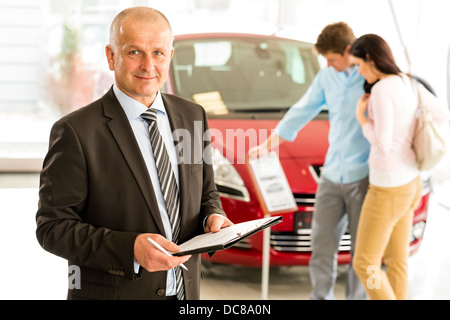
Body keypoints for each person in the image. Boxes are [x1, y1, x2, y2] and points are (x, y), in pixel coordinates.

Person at [36, 7, 232, 300]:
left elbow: (206, 193)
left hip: (186, 293)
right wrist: (130, 250)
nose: (148, 65)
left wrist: (212, 216)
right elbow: (52, 227)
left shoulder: (193, 116)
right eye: (134, 52)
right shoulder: (76, 131)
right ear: (111, 56)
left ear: (170, 56)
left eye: (158, 53)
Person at [249, 22, 370, 300]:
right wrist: (267, 145)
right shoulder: (327, 77)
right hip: (332, 176)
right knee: (322, 246)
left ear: (350, 51)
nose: (327, 64)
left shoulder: (370, 78)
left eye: (331, 59)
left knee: (362, 252)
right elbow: (301, 110)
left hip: (364, 177)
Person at [349, 34, 450, 300]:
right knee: (398, 260)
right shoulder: (408, 81)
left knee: (366, 263)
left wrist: (362, 119)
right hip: (410, 182)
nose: (359, 70)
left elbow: (382, 143)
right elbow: (441, 115)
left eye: (359, 64)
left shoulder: (382, 89)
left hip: (387, 189)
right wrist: (410, 142)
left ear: (370, 59)